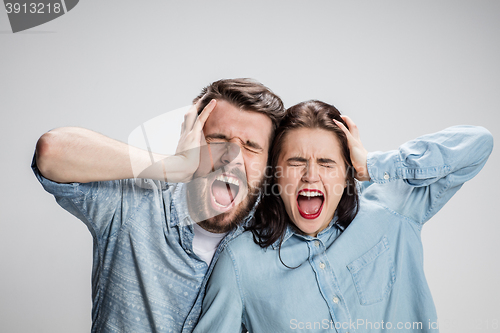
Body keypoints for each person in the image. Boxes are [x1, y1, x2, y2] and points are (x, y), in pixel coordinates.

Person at [194, 100, 493, 333]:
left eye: (326, 163)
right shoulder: (240, 262)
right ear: (275, 175)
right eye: (297, 162)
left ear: (348, 172)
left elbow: (478, 143)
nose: (311, 176)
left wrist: (374, 166)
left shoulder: (392, 210)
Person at [32, 78, 285, 333]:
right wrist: (173, 165)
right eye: (217, 139)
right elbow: (51, 151)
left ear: (268, 165)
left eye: (251, 146)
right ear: (191, 140)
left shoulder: (276, 239)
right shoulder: (133, 206)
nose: (232, 157)